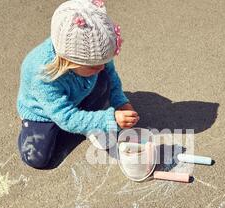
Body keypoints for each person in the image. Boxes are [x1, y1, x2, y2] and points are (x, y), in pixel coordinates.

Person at [16, 0, 139, 169]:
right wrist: (108, 119)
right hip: (45, 113)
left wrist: (121, 102)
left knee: (104, 79)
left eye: (105, 62)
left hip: (78, 94)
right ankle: (81, 123)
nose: (103, 67)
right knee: (37, 158)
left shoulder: (95, 56)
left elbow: (111, 76)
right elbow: (65, 116)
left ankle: (87, 122)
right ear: (69, 61)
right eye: (94, 66)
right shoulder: (41, 73)